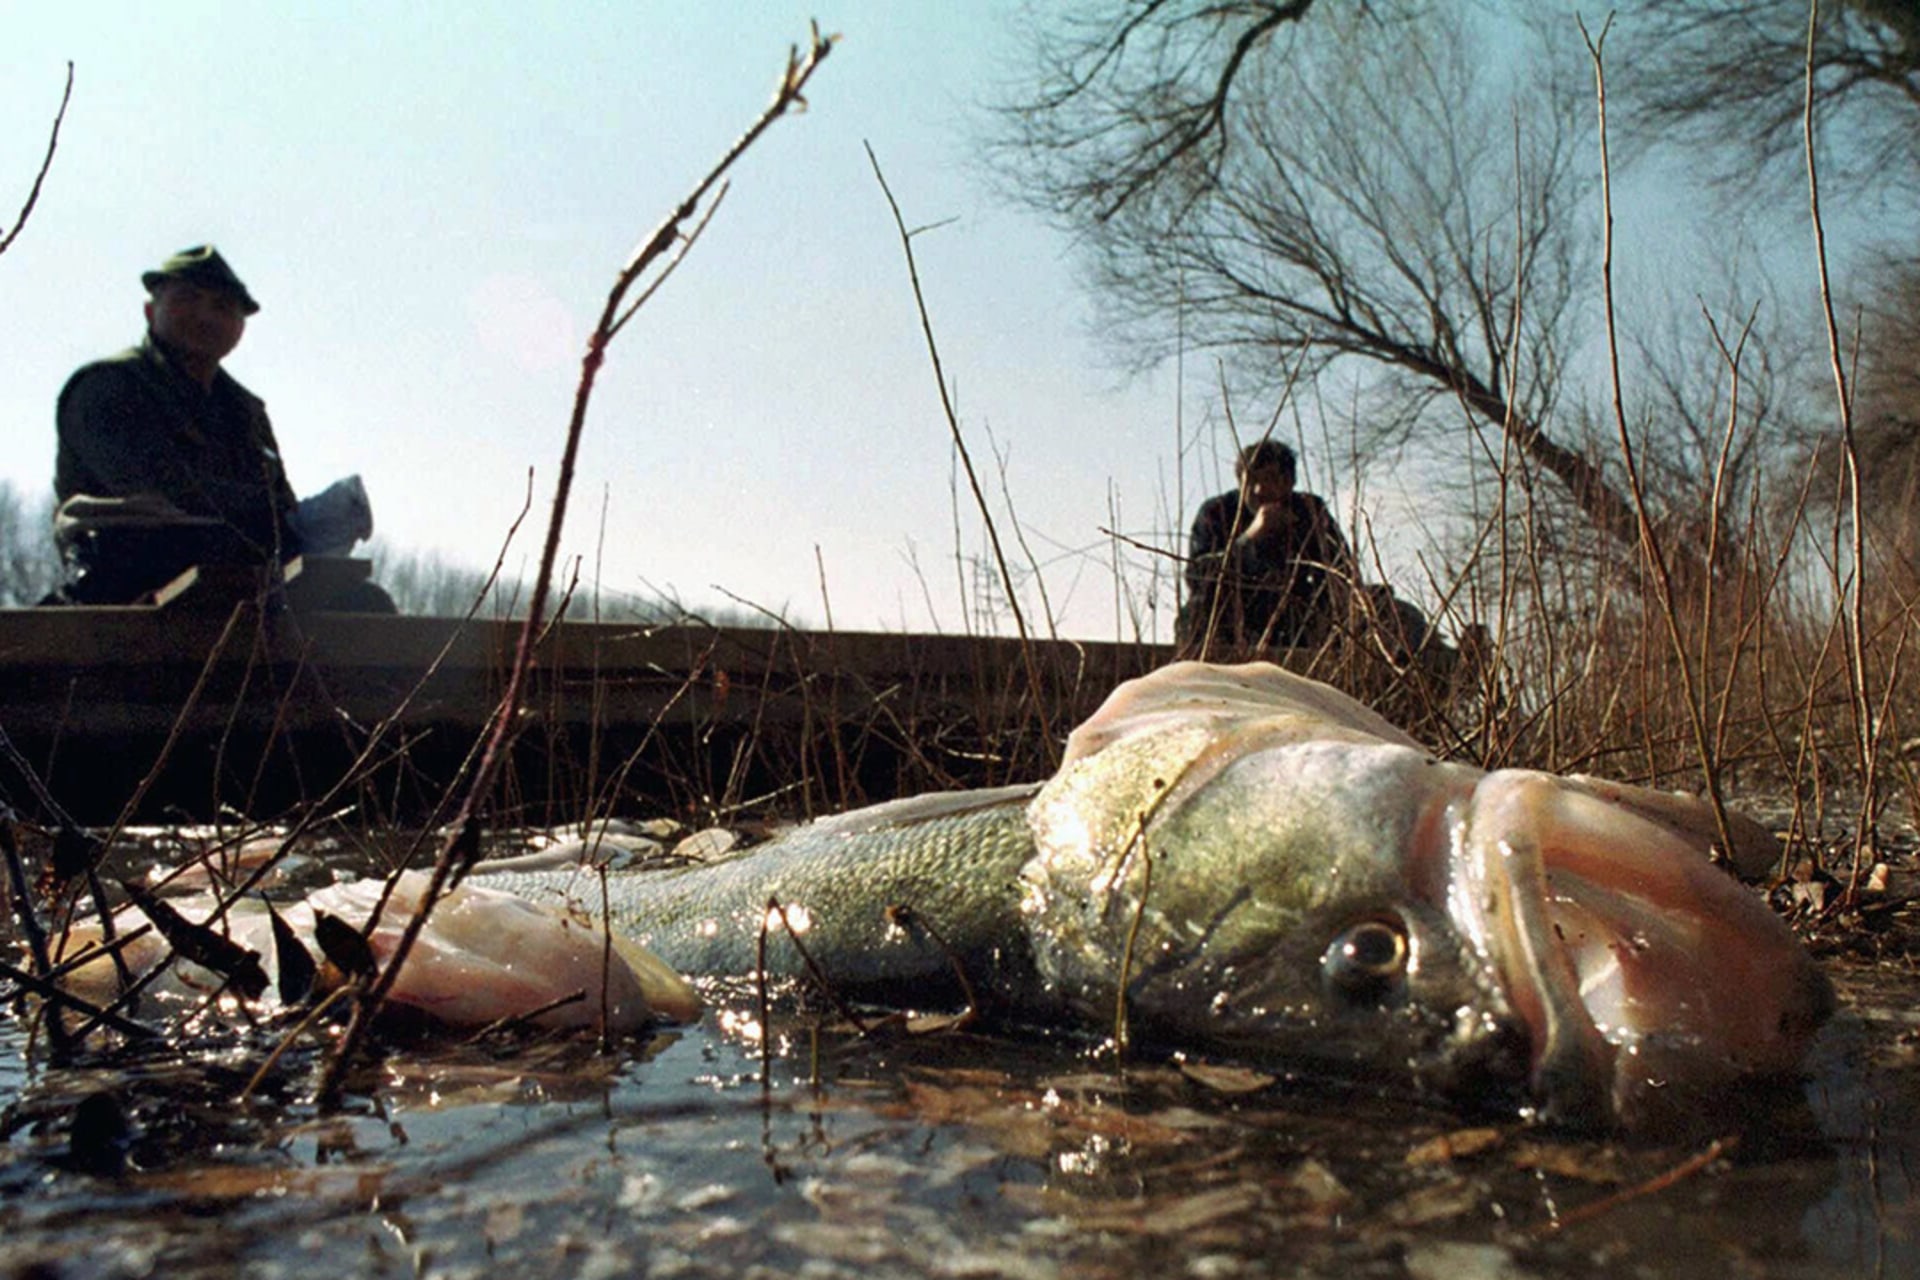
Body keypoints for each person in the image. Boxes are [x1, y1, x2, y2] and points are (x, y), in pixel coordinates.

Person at [50, 245, 391, 610]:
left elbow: (279, 513)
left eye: (223, 307)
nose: (205, 316)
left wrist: (315, 525)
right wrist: (278, 520)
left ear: (240, 328)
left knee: (366, 605)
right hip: (129, 585)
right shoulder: (110, 387)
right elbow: (168, 497)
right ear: (151, 311)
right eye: (188, 298)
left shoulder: (244, 411)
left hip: (241, 584)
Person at [1177, 439, 1354, 650]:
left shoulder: (1309, 510)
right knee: (1195, 611)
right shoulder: (1217, 512)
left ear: (1288, 482)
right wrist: (1250, 537)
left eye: (1269, 479)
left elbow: (1342, 572)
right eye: (1250, 481)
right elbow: (1197, 577)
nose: (1258, 490)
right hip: (1235, 614)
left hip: (1295, 615)